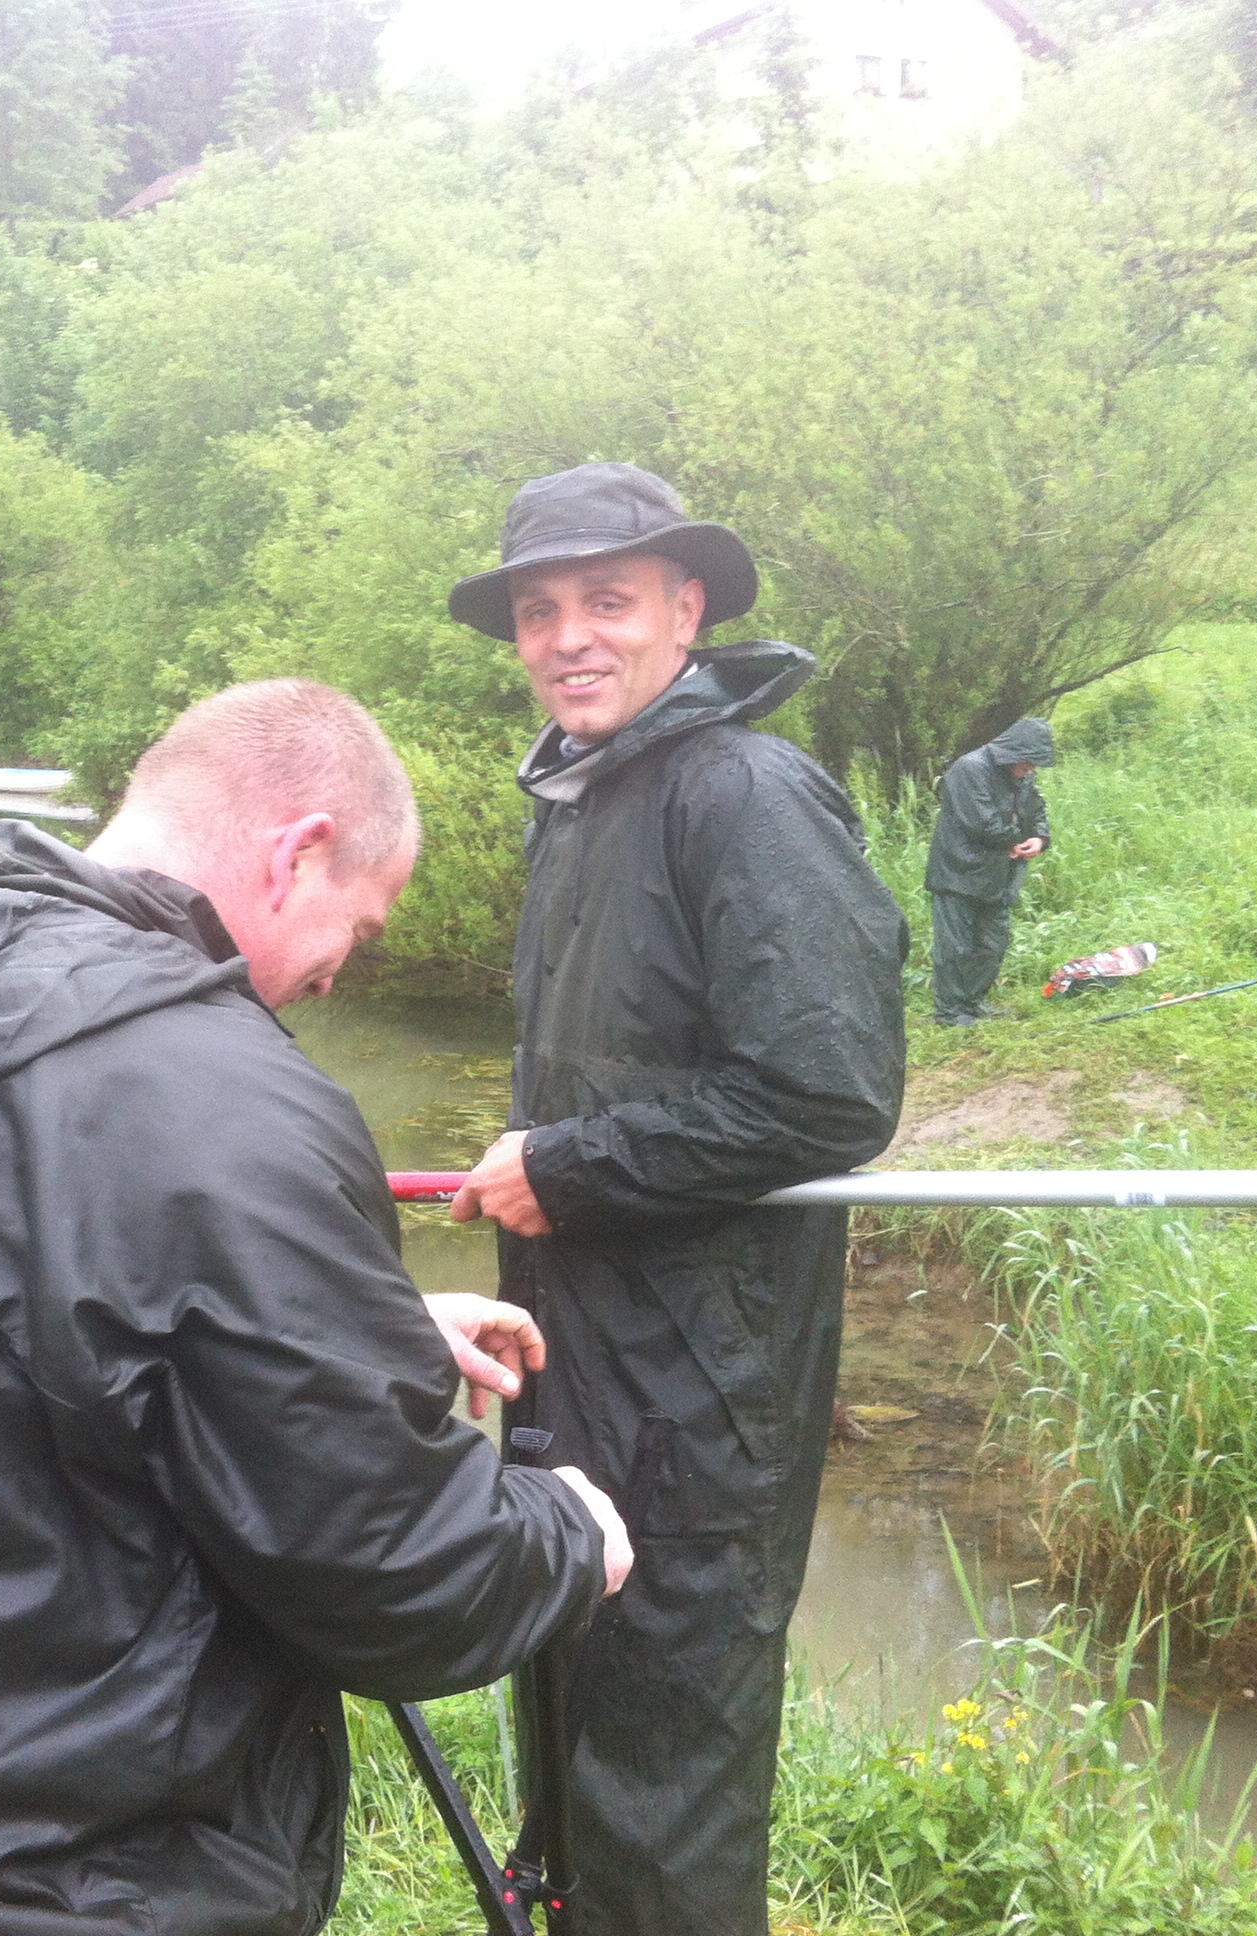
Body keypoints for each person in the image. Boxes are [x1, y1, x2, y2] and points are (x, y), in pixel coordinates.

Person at [0, 678, 631, 1936]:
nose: (330, 979)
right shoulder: (224, 1097)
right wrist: (567, 1533)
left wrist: (352, 1327)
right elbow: (395, 1575)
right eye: (355, 929)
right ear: (299, 851)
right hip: (1, 1871)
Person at [442, 463, 909, 1936]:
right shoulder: (581, 798)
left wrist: (564, 1167)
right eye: (540, 611)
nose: (569, 636)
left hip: (709, 1390)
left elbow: (826, 1092)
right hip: (583, 1347)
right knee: (579, 1715)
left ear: (687, 610)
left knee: (668, 1766)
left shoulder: (744, 794)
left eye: (608, 600)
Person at [926, 718, 1056, 1027]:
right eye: (1028, 761)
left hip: (998, 873)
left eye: (1034, 763)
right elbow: (981, 820)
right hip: (958, 871)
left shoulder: (1021, 774)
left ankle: (973, 1002)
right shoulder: (969, 768)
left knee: (994, 943)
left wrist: (1039, 838)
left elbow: (1037, 809)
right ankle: (949, 1011)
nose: (1031, 768)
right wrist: (1015, 841)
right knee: (955, 946)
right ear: (1013, 752)